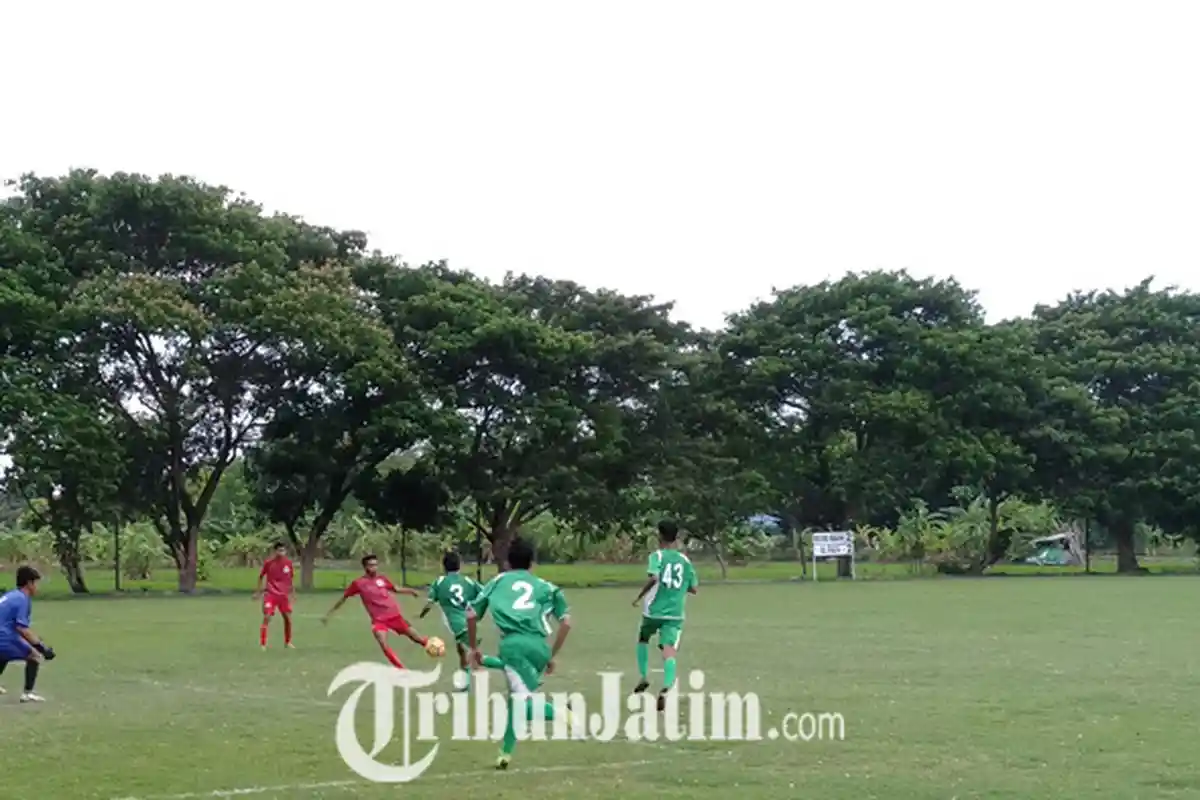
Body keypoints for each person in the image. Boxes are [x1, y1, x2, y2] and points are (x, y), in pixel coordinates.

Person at [467, 538, 573, 770]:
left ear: (507, 562)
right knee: (517, 702)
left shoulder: (497, 581)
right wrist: (551, 655)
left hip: (513, 645)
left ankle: (561, 712)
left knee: (523, 703)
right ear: (532, 563)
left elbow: (471, 614)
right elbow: (566, 623)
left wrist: (473, 647)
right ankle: (504, 753)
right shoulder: (546, 586)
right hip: (539, 646)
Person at [631, 519, 698, 711]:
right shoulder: (685, 561)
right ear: (676, 537)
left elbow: (654, 577)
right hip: (675, 613)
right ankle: (667, 686)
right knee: (669, 650)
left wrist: (639, 596)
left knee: (643, 638)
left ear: (659, 536)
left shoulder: (657, 556)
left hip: (653, 610)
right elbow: (694, 588)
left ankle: (644, 675)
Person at [322, 554, 430, 669]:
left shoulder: (382, 579)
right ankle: (401, 669)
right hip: (379, 620)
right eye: (371, 565)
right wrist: (329, 614)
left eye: (376, 565)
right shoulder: (358, 583)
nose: (374, 568)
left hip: (395, 616)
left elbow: (395, 589)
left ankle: (434, 647)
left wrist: (411, 591)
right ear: (365, 567)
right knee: (383, 644)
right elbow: (343, 598)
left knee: (418, 639)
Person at [419, 552, 489, 690]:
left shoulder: (439, 582)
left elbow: (429, 603)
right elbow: (485, 593)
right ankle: (465, 680)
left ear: (443, 566)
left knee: (473, 654)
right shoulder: (468, 581)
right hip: (470, 620)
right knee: (462, 650)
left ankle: (508, 668)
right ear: (460, 565)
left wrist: (421, 615)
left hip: (456, 623)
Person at [0, 566, 55, 703]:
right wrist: (42, 648)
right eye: (36, 583)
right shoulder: (22, 599)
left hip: (4, 634)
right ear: (29, 583)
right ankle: (27, 694)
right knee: (34, 656)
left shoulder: (11, 595)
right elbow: (22, 629)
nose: (38, 587)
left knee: (4, 654)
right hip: (3, 636)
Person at [254, 542, 296, 650]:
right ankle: (263, 644)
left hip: (283, 596)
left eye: (283, 550)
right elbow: (261, 576)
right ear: (275, 551)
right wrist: (258, 592)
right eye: (279, 550)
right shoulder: (269, 563)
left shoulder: (288, 563)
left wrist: (292, 594)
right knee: (267, 617)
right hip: (271, 594)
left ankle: (288, 642)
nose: (281, 552)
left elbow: (290, 579)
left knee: (288, 618)